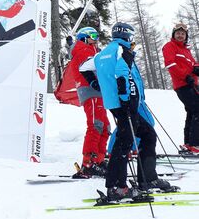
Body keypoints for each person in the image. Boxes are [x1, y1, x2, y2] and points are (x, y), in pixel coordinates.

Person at [94, 22, 174, 201]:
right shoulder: (122, 50)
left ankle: (147, 179)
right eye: (132, 37)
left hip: (116, 104)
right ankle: (117, 187)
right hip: (125, 105)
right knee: (124, 143)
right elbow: (122, 75)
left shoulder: (102, 54)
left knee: (147, 135)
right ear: (127, 35)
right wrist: (127, 99)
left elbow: (87, 68)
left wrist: (99, 85)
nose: (132, 41)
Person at [70, 27, 110, 178]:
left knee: (104, 126)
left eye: (97, 35)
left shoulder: (91, 50)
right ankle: (89, 163)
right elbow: (86, 69)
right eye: (93, 35)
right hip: (90, 91)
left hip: (98, 92)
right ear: (84, 37)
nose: (96, 38)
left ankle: (98, 160)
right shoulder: (82, 49)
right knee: (96, 125)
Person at [162, 23, 199, 153]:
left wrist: (196, 68)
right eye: (178, 33)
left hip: (192, 85)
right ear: (173, 34)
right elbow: (170, 64)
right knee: (197, 110)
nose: (180, 35)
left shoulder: (186, 50)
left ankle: (189, 143)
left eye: (183, 33)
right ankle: (195, 145)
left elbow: (193, 63)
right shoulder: (169, 46)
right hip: (183, 85)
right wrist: (186, 76)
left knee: (192, 112)